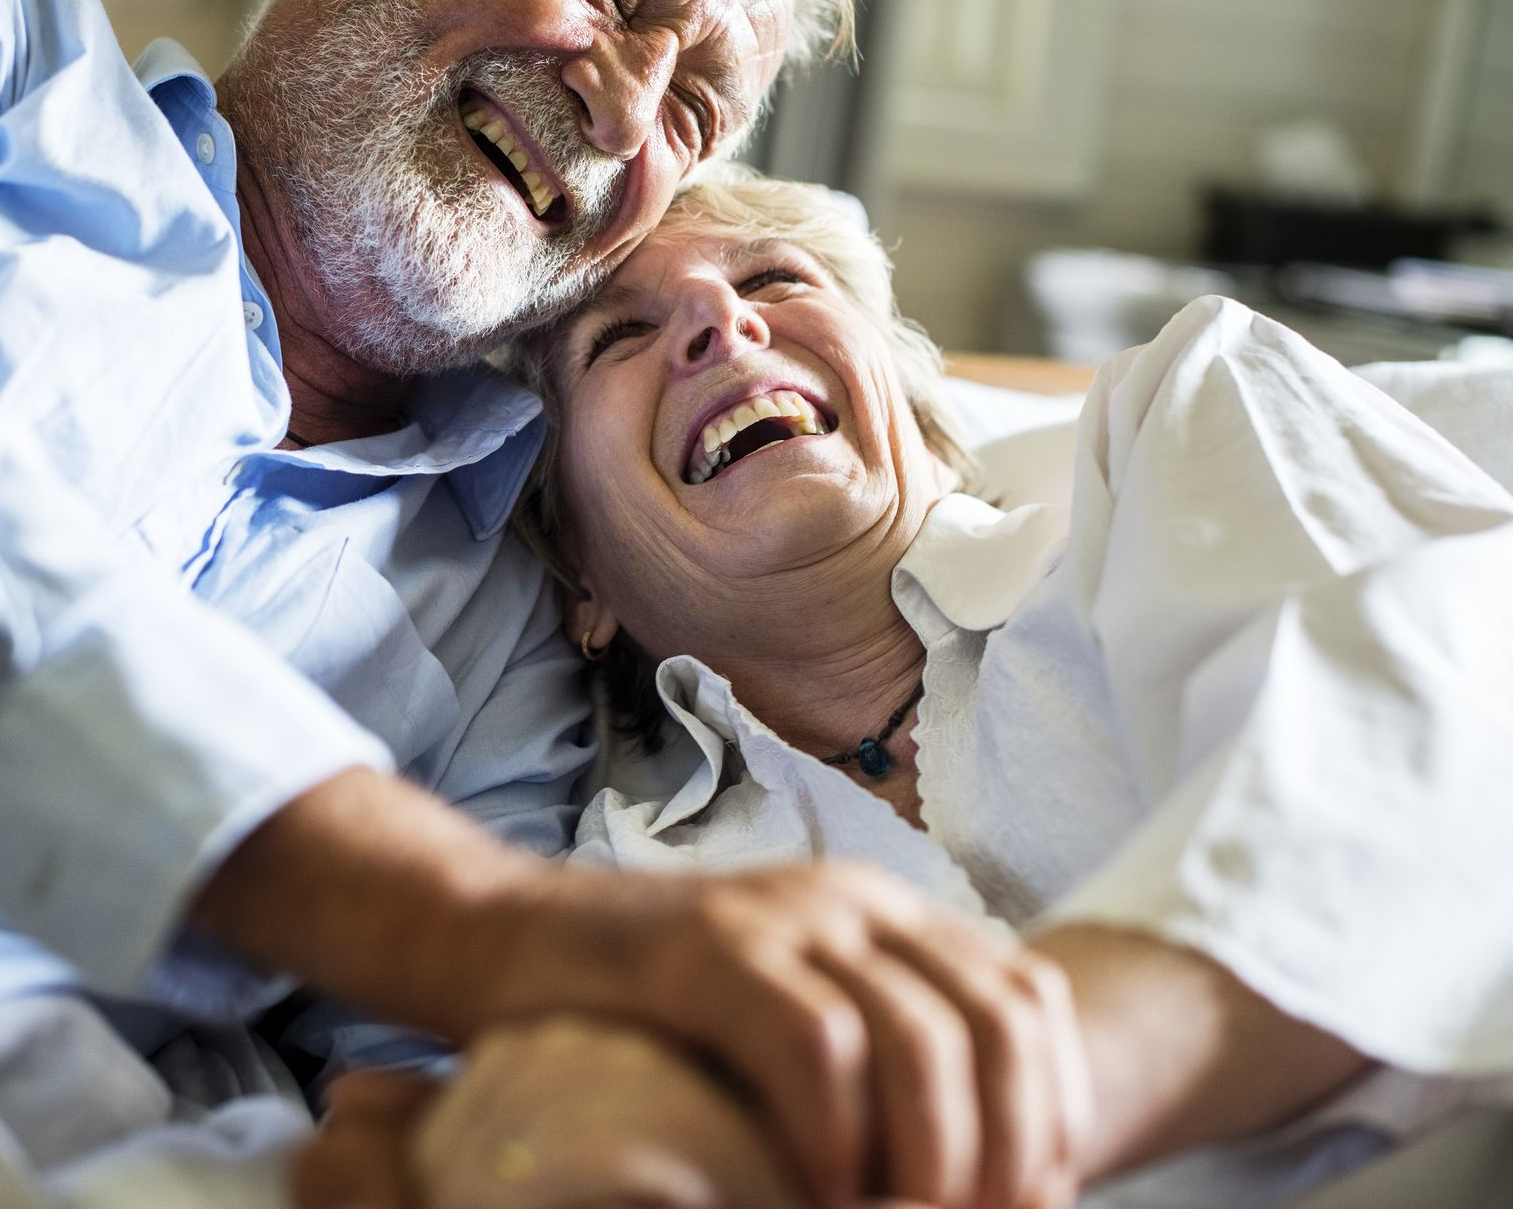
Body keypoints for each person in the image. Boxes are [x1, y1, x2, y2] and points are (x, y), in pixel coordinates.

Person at [0, 0, 1092, 1204]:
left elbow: (432, 1083)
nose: (628, 110)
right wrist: (457, 920)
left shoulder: (507, 609)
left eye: (692, 109)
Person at [303, 163, 1513, 1209]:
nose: (722, 323)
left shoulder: (1182, 422)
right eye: (619, 336)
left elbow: (1446, 719)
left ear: (923, 421)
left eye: (775, 280)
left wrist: (959, 1107)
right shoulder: (631, 897)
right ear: (581, 576)